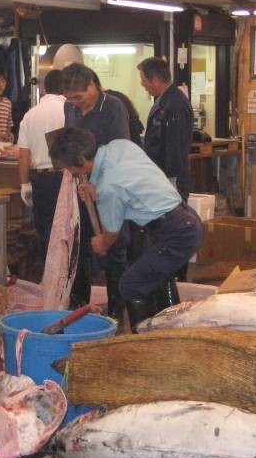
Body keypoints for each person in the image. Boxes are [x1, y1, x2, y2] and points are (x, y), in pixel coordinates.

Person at [49, 127, 203, 331]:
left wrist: (101, 243)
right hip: (184, 220)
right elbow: (131, 186)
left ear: (81, 160)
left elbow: (112, 233)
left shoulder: (108, 187)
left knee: (130, 285)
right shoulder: (121, 146)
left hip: (176, 232)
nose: (70, 173)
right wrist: (96, 191)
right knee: (158, 277)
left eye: (69, 168)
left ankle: (142, 340)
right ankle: (170, 335)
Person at [61, 62, 130, 318]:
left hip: (110, 186)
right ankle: (80, 308)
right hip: (81, 185)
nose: (75, 103)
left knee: (113, 245)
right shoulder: (70, 107)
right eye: (70, 99)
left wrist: (99, 180)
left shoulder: (113, 107)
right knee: (80, 247)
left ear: (92, 85)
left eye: (79, 97)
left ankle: (116, 311)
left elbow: (120, 151)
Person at [17, 69, 66, 254]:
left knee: (46, 231)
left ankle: (50, 268)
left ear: (44, 89)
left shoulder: (30, 115)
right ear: (65, 89)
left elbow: (24, 155)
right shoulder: (69, 109)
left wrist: (24, 185)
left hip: (41, 180)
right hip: (65, 176)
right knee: (67, 230)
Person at [138, 56, 194, 201]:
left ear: (155, 80)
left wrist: (171, 180)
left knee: (172, 215)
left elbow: (176, 146)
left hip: (170, 179)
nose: (142, 84)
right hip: (159, 176)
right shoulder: (164, 101)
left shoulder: (176, 104)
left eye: (144, 80)